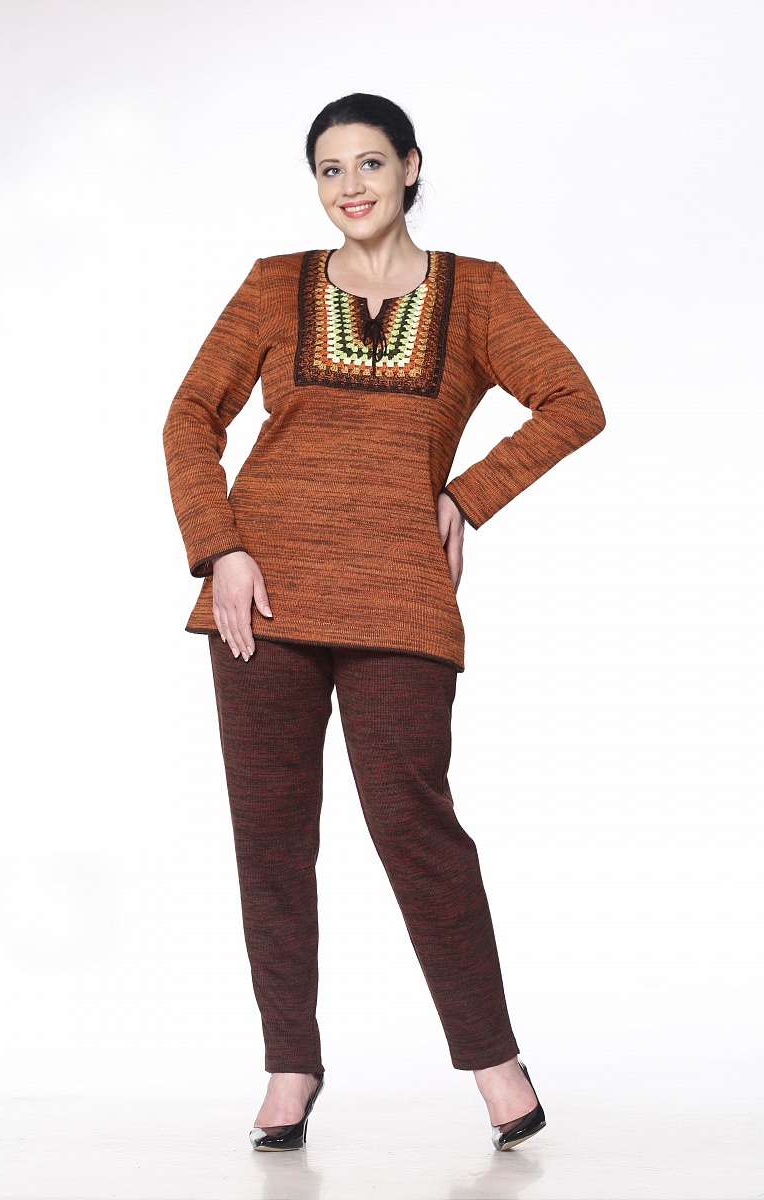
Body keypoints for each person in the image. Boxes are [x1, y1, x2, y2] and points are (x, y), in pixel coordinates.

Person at [162, 92, 606, 1153]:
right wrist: (219, 547)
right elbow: (189, 415)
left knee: (414, 825)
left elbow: (572, 401)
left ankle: (494, 1061)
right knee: (270, 837)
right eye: (329, 169)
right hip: (260, 594)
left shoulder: (477, 292)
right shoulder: (274, 285)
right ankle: (290, 1062)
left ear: (410, 166)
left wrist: (466, 495)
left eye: (368, 163)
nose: (349, 186)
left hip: (401, 592)